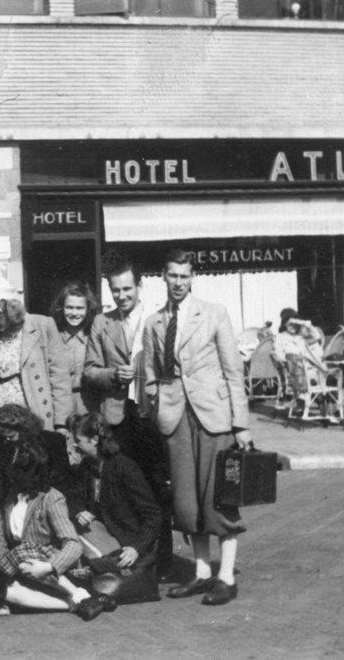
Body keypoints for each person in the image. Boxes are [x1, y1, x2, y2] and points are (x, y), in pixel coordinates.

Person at [143, 249, 251, 606]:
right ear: (163, 276)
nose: (178, 283)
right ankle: (202, 574)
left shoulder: (215, 314)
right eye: (172, 275)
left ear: (192, 278)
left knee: (219, 497)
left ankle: (226, 577)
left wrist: (241, 424)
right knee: (187, 502)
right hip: (176, 420)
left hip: (214, 416)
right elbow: (150, 378)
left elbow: (234, 371)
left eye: (184, 276)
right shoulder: (154, 322)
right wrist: (159, 409)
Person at [82, 254, 173, 577]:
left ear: (139, 286)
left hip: (150, 416)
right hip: (118, 417)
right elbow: (89, 371)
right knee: (122, 489)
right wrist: (112, 375)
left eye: (127, 289)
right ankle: (128, 560)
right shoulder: (101, 323)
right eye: (116, 290)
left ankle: (162, 561)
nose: (122, 296)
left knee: (156, 487)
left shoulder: (157, 318)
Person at [0, 438, 113, 621]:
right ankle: (78, 603)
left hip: (60, 572)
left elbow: (73, 544)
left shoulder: (51, 498)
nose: (12, 475)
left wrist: (48, 566)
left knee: (21, 552)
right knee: (5, 591)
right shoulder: (13, 495)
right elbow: (1, 541)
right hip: (26, 568)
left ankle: (77, 592)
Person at [68, 414, 162, 580]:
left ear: (95, 440)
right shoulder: (87, 466)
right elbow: (75, 498)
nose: (74, 445)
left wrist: (136, 548)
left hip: (127, 540)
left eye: (78, 440)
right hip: (103, 533)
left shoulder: (124, 467)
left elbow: (153, 515)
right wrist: (80, 511)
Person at [0, 277, 72, 435]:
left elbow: (60, 378)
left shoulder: (43, 325)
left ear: (11, 311)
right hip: (2, 413)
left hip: (34, 409)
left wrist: (61, 422)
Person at [0, 404, 73, 503]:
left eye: (11, 436)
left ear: (23, 429)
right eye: (3, 436)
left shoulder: (52, 441)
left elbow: (63, 481)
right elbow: (2, 480)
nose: (7, 440)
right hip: (15, 501)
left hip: (48, 500)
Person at [50, 281, 99, 418]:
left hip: (89, 405)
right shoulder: (52, 337)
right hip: (59, 406)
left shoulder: (94, 337)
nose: (74, 313)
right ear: (61, 308)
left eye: (79, 308)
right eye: (69, 307)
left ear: (88, 309)